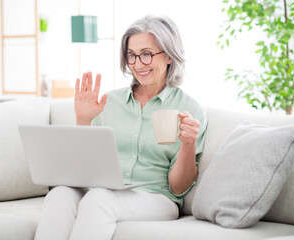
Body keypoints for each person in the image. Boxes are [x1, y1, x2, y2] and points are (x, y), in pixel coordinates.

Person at [35, 15, 207, 240]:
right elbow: (84, 167)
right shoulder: (109, 103)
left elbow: (178, 188)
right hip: (106, 190)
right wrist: (83, 121)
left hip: (156, 197)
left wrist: (188, 143)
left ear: (168, 55)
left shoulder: (190, 109)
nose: (137, 64)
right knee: (60, 195)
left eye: (146, 54)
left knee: (99, 200)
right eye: (132, 56)